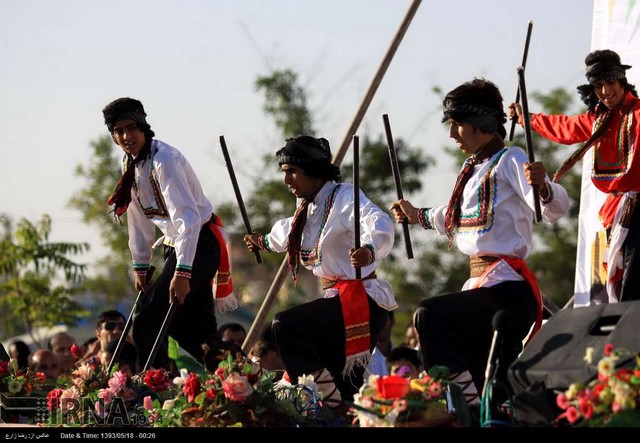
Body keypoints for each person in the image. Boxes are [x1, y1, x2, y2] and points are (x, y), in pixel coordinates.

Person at [390, 78, 570, 407]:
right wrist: (417, 215)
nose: (451, 134)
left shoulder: (511, 159)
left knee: (430, 315)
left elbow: (555, 208)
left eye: (456, 125)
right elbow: (457, 218)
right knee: (488, 381)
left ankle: (464, 408)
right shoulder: (473, 168)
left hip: (507, 290)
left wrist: (543, 185)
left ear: (479, 124)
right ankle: (475, 408)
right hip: (481, 288)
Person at [244, 135, 397, 410]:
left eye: (292, 172)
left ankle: (325, 402)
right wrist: (263, 242)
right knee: (344, 385)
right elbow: (289, 230)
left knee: (286, 325)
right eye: (284, 173)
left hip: (358, 302)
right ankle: (336, 408)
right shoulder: (307, 206)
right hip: (335, 303)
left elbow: (378, 222)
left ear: (312, 170)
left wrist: (369, 250)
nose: (286, 180)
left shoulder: (346, 196)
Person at [102, 97, 239, 372]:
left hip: (199, 244)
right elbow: (138, 219)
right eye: (119, 131)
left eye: (132, 128)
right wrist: (141, 265)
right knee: (193, 331)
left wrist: (182, 273)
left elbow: (187, 219)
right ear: (114, 136)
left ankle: (153, 392)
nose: (127, 136)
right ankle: (243, 378)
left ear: (143, 127)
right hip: (177, 248)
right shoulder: (129, 165)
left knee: (147, 320)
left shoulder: (165, 159)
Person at [508, 49, 640, 303]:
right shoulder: (597, 120)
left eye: (610, 83)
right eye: (598, 86)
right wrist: (527, 118)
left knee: (632, 284)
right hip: (618, 215)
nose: (605, 91)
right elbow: (563, 127)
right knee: (621, 281)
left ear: (622, 80)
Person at [365, 310, 395, 377]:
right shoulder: (362, 361)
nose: (379, 325)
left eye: (382, 320)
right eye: (374, 320)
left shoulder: (401, 357)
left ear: (392, 321)